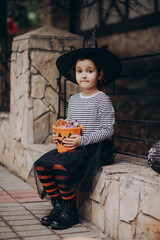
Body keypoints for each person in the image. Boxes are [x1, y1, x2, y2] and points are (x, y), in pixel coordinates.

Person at [32, 27, 121, 230]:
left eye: (90, 71)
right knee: (42, 164)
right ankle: (59, 206)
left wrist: (81, 141)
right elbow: (70, 123)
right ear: (75, 74)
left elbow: (108, 130)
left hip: (93, 147)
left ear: (100, 74)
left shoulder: (102, 99)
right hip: (73, 145)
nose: (84, 76)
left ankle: (71, 212)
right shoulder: (73, 99)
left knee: (61, 167)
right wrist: (61, 135)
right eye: (80, 71)